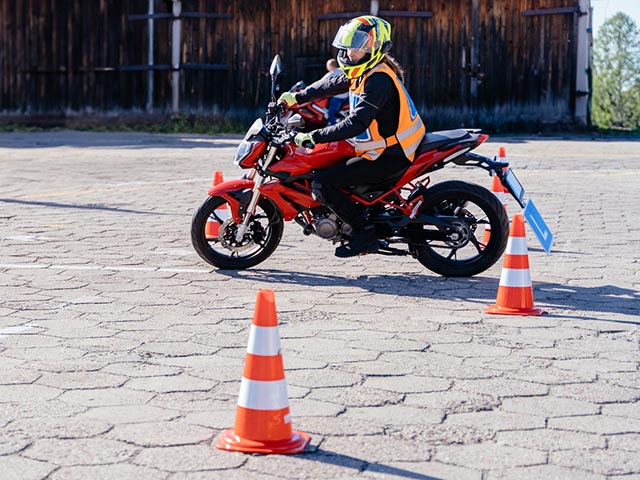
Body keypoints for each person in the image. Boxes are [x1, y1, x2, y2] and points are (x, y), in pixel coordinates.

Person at [278, 15, 425, 258]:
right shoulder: (364, 70)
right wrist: (297, 98)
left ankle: (364, 233)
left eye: (355, 47)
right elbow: (331, 84)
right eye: (346, 48)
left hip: (392, 153)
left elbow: (356, 123)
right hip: (381, 147)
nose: (348, 53)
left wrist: (313, 136)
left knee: (324, 183)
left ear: (374, 47)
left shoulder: (378, 79)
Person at [322, 58, 349, 126]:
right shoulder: (343, 70)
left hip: (338, 97)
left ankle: (333, 125)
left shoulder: (330, 74)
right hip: (347, 96)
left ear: (330, 66)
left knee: (331, 112)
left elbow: (320, 83)